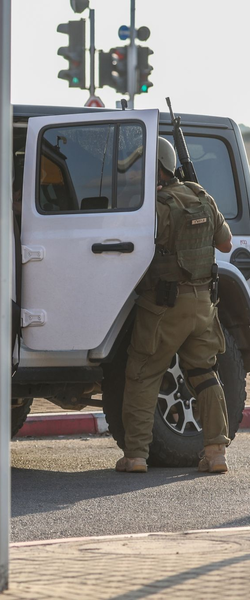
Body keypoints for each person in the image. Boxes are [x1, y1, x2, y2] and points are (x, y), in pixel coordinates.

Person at [117, 137, 233, 474]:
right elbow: (225, 244)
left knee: (142, 373)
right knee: (204, 373)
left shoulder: (154, 207)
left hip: (164, 307)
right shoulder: (202, 196)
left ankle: (136, 455)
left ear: (155, 169)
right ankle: (215, 452)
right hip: (203, 305)